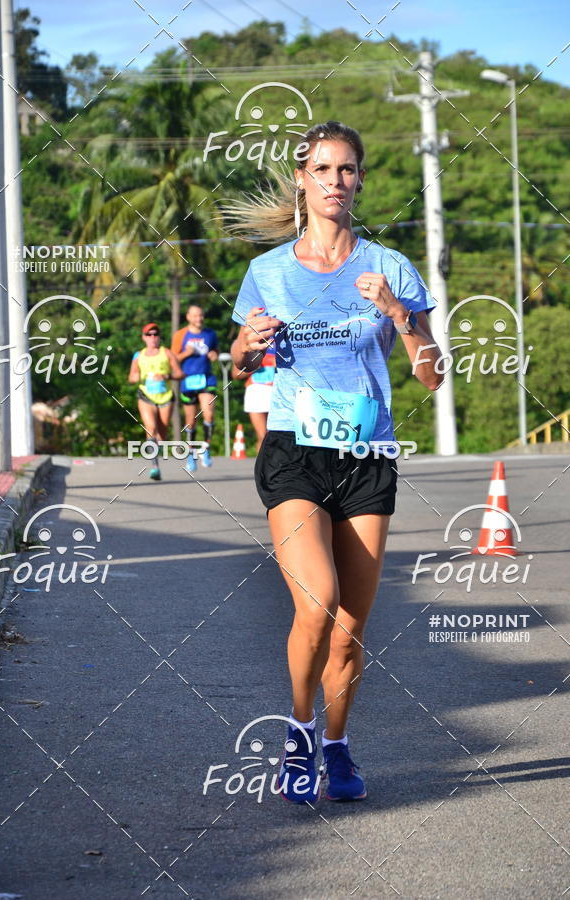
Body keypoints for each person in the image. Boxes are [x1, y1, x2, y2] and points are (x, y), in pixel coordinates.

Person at [229, 121, 444, 804]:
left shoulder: (392, 269)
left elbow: (433, 376)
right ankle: (298, 730)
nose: (334, 181)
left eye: (346, 170)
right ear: (302, 178)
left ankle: (339, 742)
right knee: (317, 604)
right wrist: (247, 343)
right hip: (294, 448)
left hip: (365, 455)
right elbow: (238, 362)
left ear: (359, 180)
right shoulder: (266, 271)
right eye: (321, 169)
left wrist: (399, 316)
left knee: (350, 630)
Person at [128, 322, 183, 481]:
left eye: (155, 334)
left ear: (159, 337)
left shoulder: (166, 353)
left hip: (165, 397)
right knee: (151, 429)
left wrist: (166, 376)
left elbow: (180, 374)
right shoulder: (138, 356)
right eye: (149, 334)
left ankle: (155, 451)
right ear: (143, 337)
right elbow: (131, 377)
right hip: (146, 395)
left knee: (161, 434)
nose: (152, 337)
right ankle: (155, 467)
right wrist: (136, 377)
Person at [171, 304, 218, 472]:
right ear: (188, 317)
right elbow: (173, 358)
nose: (199, 318)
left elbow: (215, 351)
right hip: (188, 381)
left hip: (206, 379)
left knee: (209, 413)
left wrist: (214, 355)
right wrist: (186, 353)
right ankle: (191, 454)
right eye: (196, 316)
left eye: (201, 315)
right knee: (190, 421)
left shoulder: (210, 334)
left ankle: (205, 447)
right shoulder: (181, 335)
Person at [232, 344, 276, 452]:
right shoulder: (250, 341)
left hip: (278, 391)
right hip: (255, 392)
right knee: (263, 436)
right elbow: (236, 374)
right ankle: (262, 468)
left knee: (276, 436)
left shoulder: (283, 339)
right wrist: (254, 366)